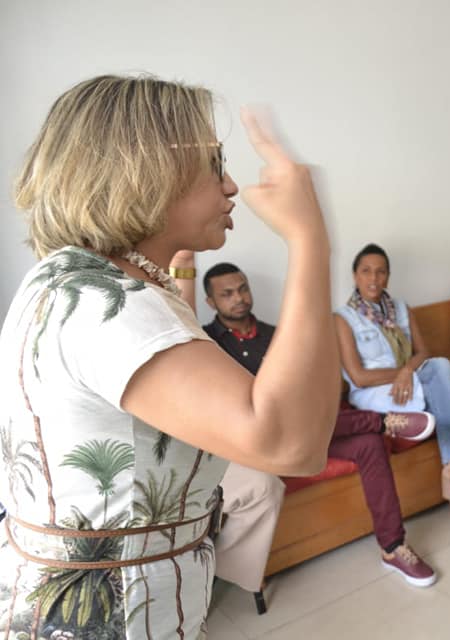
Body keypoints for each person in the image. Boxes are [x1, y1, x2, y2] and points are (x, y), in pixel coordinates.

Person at [0, 75, 340, 639]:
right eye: (213, 163)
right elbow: (291, 444)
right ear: (143, 169)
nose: (231, 185)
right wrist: (310, 240)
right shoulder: (99, 303)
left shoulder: (81, 279)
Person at [202, 263, 437, 589]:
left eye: (242, 288)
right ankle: (383, 420)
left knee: (368, 444)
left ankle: (393, 546)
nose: (239, 298)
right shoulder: (206, 344)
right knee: (285, 413)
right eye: (227, 294)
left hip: (307, 430)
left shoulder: (278, 336)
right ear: (211, 301)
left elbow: (308, 385)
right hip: (260, 440)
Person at [335, 245, 450, 518]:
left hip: (409, 380)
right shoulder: (343, 318)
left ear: (388, 276)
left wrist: (406, 371)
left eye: (381, 272)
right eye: (366, 271)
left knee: (443, 369)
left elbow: (423, 353)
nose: (373, 278)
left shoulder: (401, 308)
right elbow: (358, 377)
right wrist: (402, 373)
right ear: (355, 276)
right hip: (374, 393)